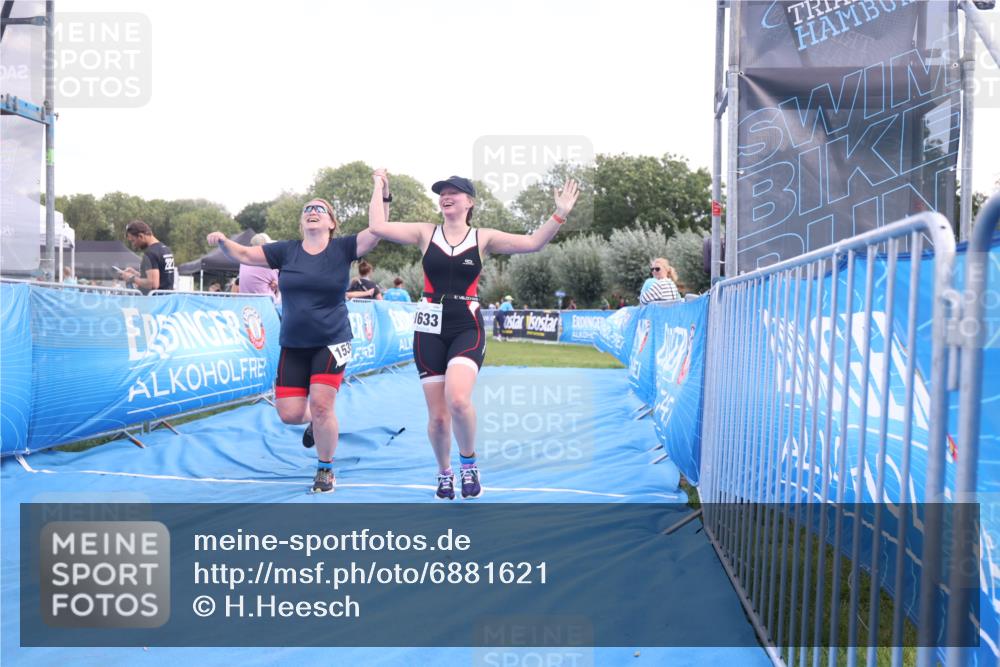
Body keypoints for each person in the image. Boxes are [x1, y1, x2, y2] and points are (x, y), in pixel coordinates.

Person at [368, 169, 579, 500]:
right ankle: (444, 472)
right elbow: (377, 227)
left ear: (469, 202)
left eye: (453, 192)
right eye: (442, 193)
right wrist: (380, 188)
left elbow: (533, 243)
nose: (445, 196)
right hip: (429, 327)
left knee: (458, 399)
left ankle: (468, 464)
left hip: (466, 325)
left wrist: (560, 214)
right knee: (438, 418)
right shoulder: (425, 232)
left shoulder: (483, 237)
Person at [206, 197, 381, 493]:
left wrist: (381, 189)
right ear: (301, 222)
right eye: (307, 209)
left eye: (320, 209)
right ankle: (318, 420)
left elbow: (377, 230)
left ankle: (325, 469)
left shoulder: (343, 248)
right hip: (294, 343)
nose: (312, 212)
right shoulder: (286, 251)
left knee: (322, 405)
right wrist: (223, 241)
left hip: (332, 340)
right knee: (289, 414)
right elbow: (245, 254)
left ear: (331, 222)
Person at [119, 220, 176, 294]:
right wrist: (136, 274)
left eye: (133, 241)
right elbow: (161, 278)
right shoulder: (166, 249)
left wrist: (131, 278)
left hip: (154, 299)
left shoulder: (150, 253)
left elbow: (153, 284)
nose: (133, 245)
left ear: (141, 236)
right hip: (167, 298)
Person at [238, 232, 281, 303]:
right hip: (265, 303)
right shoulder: (268, 263)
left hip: (245, 303)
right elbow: (281, 282)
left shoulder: (243, 262)